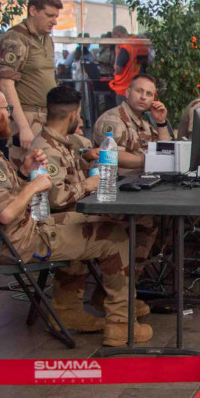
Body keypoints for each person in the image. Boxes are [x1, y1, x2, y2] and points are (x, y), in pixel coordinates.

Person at [0, 86, 152, 344]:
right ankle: (121, 325)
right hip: (16, 242)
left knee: (89, 223)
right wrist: (34, 185)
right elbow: (5, 213)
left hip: (1, 239)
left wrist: (23, 173)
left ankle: (67, 311)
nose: (11, 116)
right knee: (117, 235)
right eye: (8, 111)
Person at [32, 85, 158, 308]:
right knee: (120, 231)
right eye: (79, 115)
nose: (79, 120)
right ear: (73, 115)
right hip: (58, 220)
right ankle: (118, 312)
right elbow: (55, 199)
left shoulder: (63, 142)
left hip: (77, 210)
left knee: (146, 220)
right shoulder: (48, 149)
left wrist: (89, 160)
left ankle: (107, 294)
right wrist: (88, 184)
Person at [0, 0, 62, 151]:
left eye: (56, 17)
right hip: (27, 117)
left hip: (47, 116)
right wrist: (23, 126)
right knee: (30, 171)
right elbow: (6, 84)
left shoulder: (47, 39)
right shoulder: (16, 38)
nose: (54, 22)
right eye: (49, 16)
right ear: (33, 11)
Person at [92, 73, 171, 169]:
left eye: (149, 94)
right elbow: (112, 155)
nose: (143, 97)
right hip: (118, 181)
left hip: (142, 180)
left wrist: (161, 122)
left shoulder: (143, 123)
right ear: (127, 93)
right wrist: (149, 160)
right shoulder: (112, 119)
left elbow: (166, 151)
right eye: (139, 91)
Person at [108, 26, 149, 98]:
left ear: (118, 35)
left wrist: (116, 50)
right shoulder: (140, 44)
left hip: (123, 87)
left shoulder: (125, 47)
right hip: (139, 85)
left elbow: (118, 70)